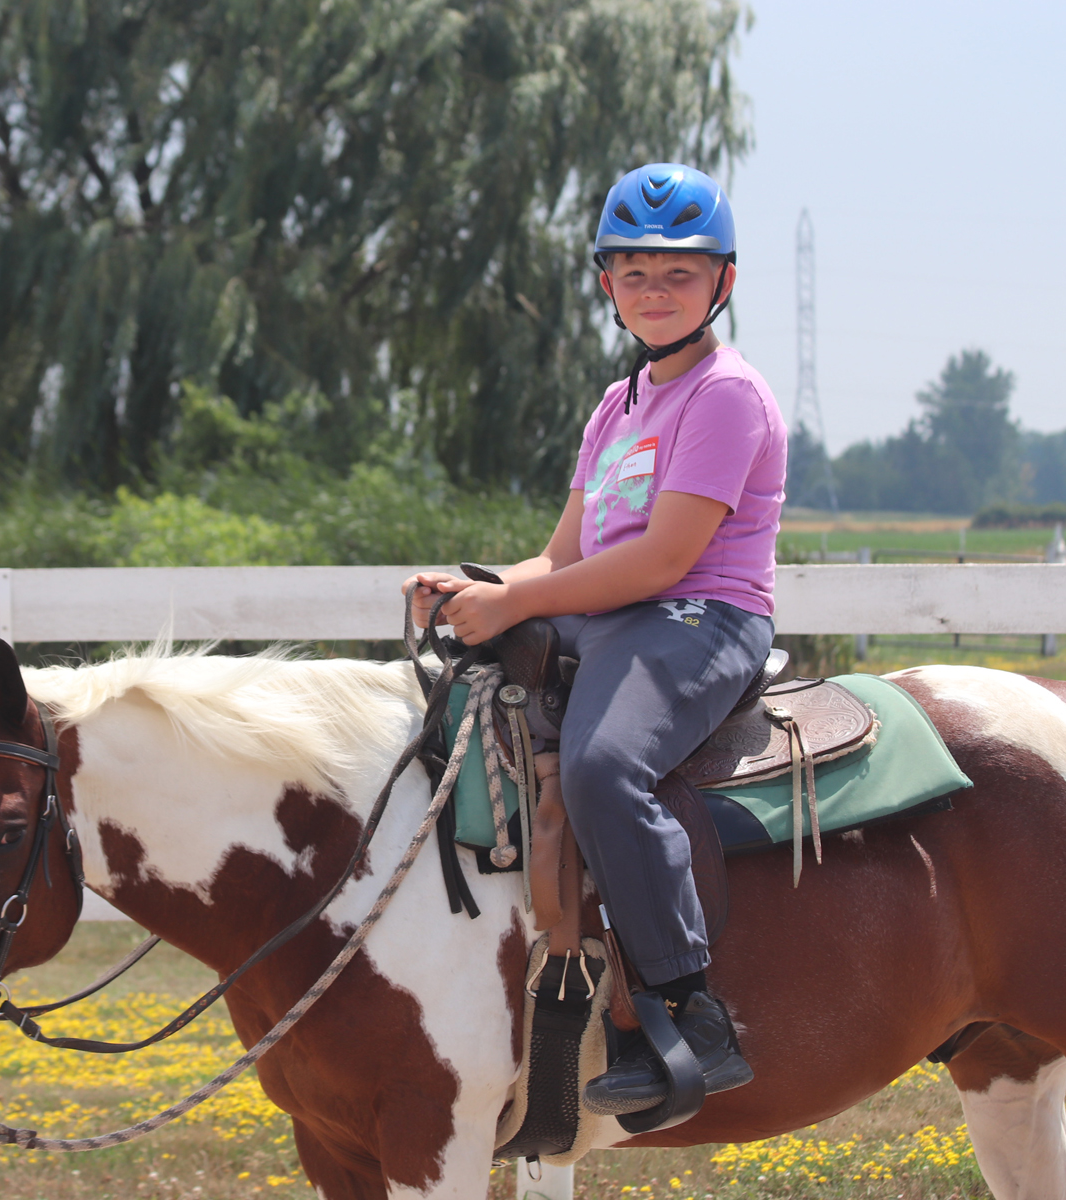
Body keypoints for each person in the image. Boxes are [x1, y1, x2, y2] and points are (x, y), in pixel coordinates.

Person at [402, 163, 785, 1115]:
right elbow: (559, 556)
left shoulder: (727, 396)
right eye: (635, 274)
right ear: (607, 286)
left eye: (680, 275)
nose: (656, 294)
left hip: (701, 617)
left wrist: (522, 604)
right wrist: (478, 588)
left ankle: (687, 1008)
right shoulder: (615, 408)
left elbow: (661, 563)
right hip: (614, 611)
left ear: (722, 285)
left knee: (604, 768)